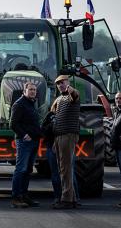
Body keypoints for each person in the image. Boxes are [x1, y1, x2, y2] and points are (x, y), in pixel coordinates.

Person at [10, 81, 43, 208]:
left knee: (28, 170)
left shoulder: (31, 104)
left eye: (34, 90)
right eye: (30, 90)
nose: (33, 92)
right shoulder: (19, 104)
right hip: (24, 142)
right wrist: (24, 135)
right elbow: (13, 124)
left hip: (34, 142)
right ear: (24, 91)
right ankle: (16, 197)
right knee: (21, 169)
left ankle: (24, 195)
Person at [51, 75, 80, 209]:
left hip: (67, 135)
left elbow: (74, 95)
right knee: (64, 167)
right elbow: (52, 113)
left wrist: (70, 89)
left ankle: (66, 199)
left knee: (65, 168)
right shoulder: (60, 98)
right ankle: (72, 199)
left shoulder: (72, 95)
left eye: (63, 82)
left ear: (68, 82)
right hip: (59, 136)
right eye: (58, 83)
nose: (60, 85)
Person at [42, 111, 80, 206]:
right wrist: (52, 125)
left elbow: (76, 129)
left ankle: (73, 198)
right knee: (55, 173)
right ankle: (58, 197)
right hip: (52, 147)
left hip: (66, 147)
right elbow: (43, 130)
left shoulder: (70, 115)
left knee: (70, 173)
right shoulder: (50, 116)